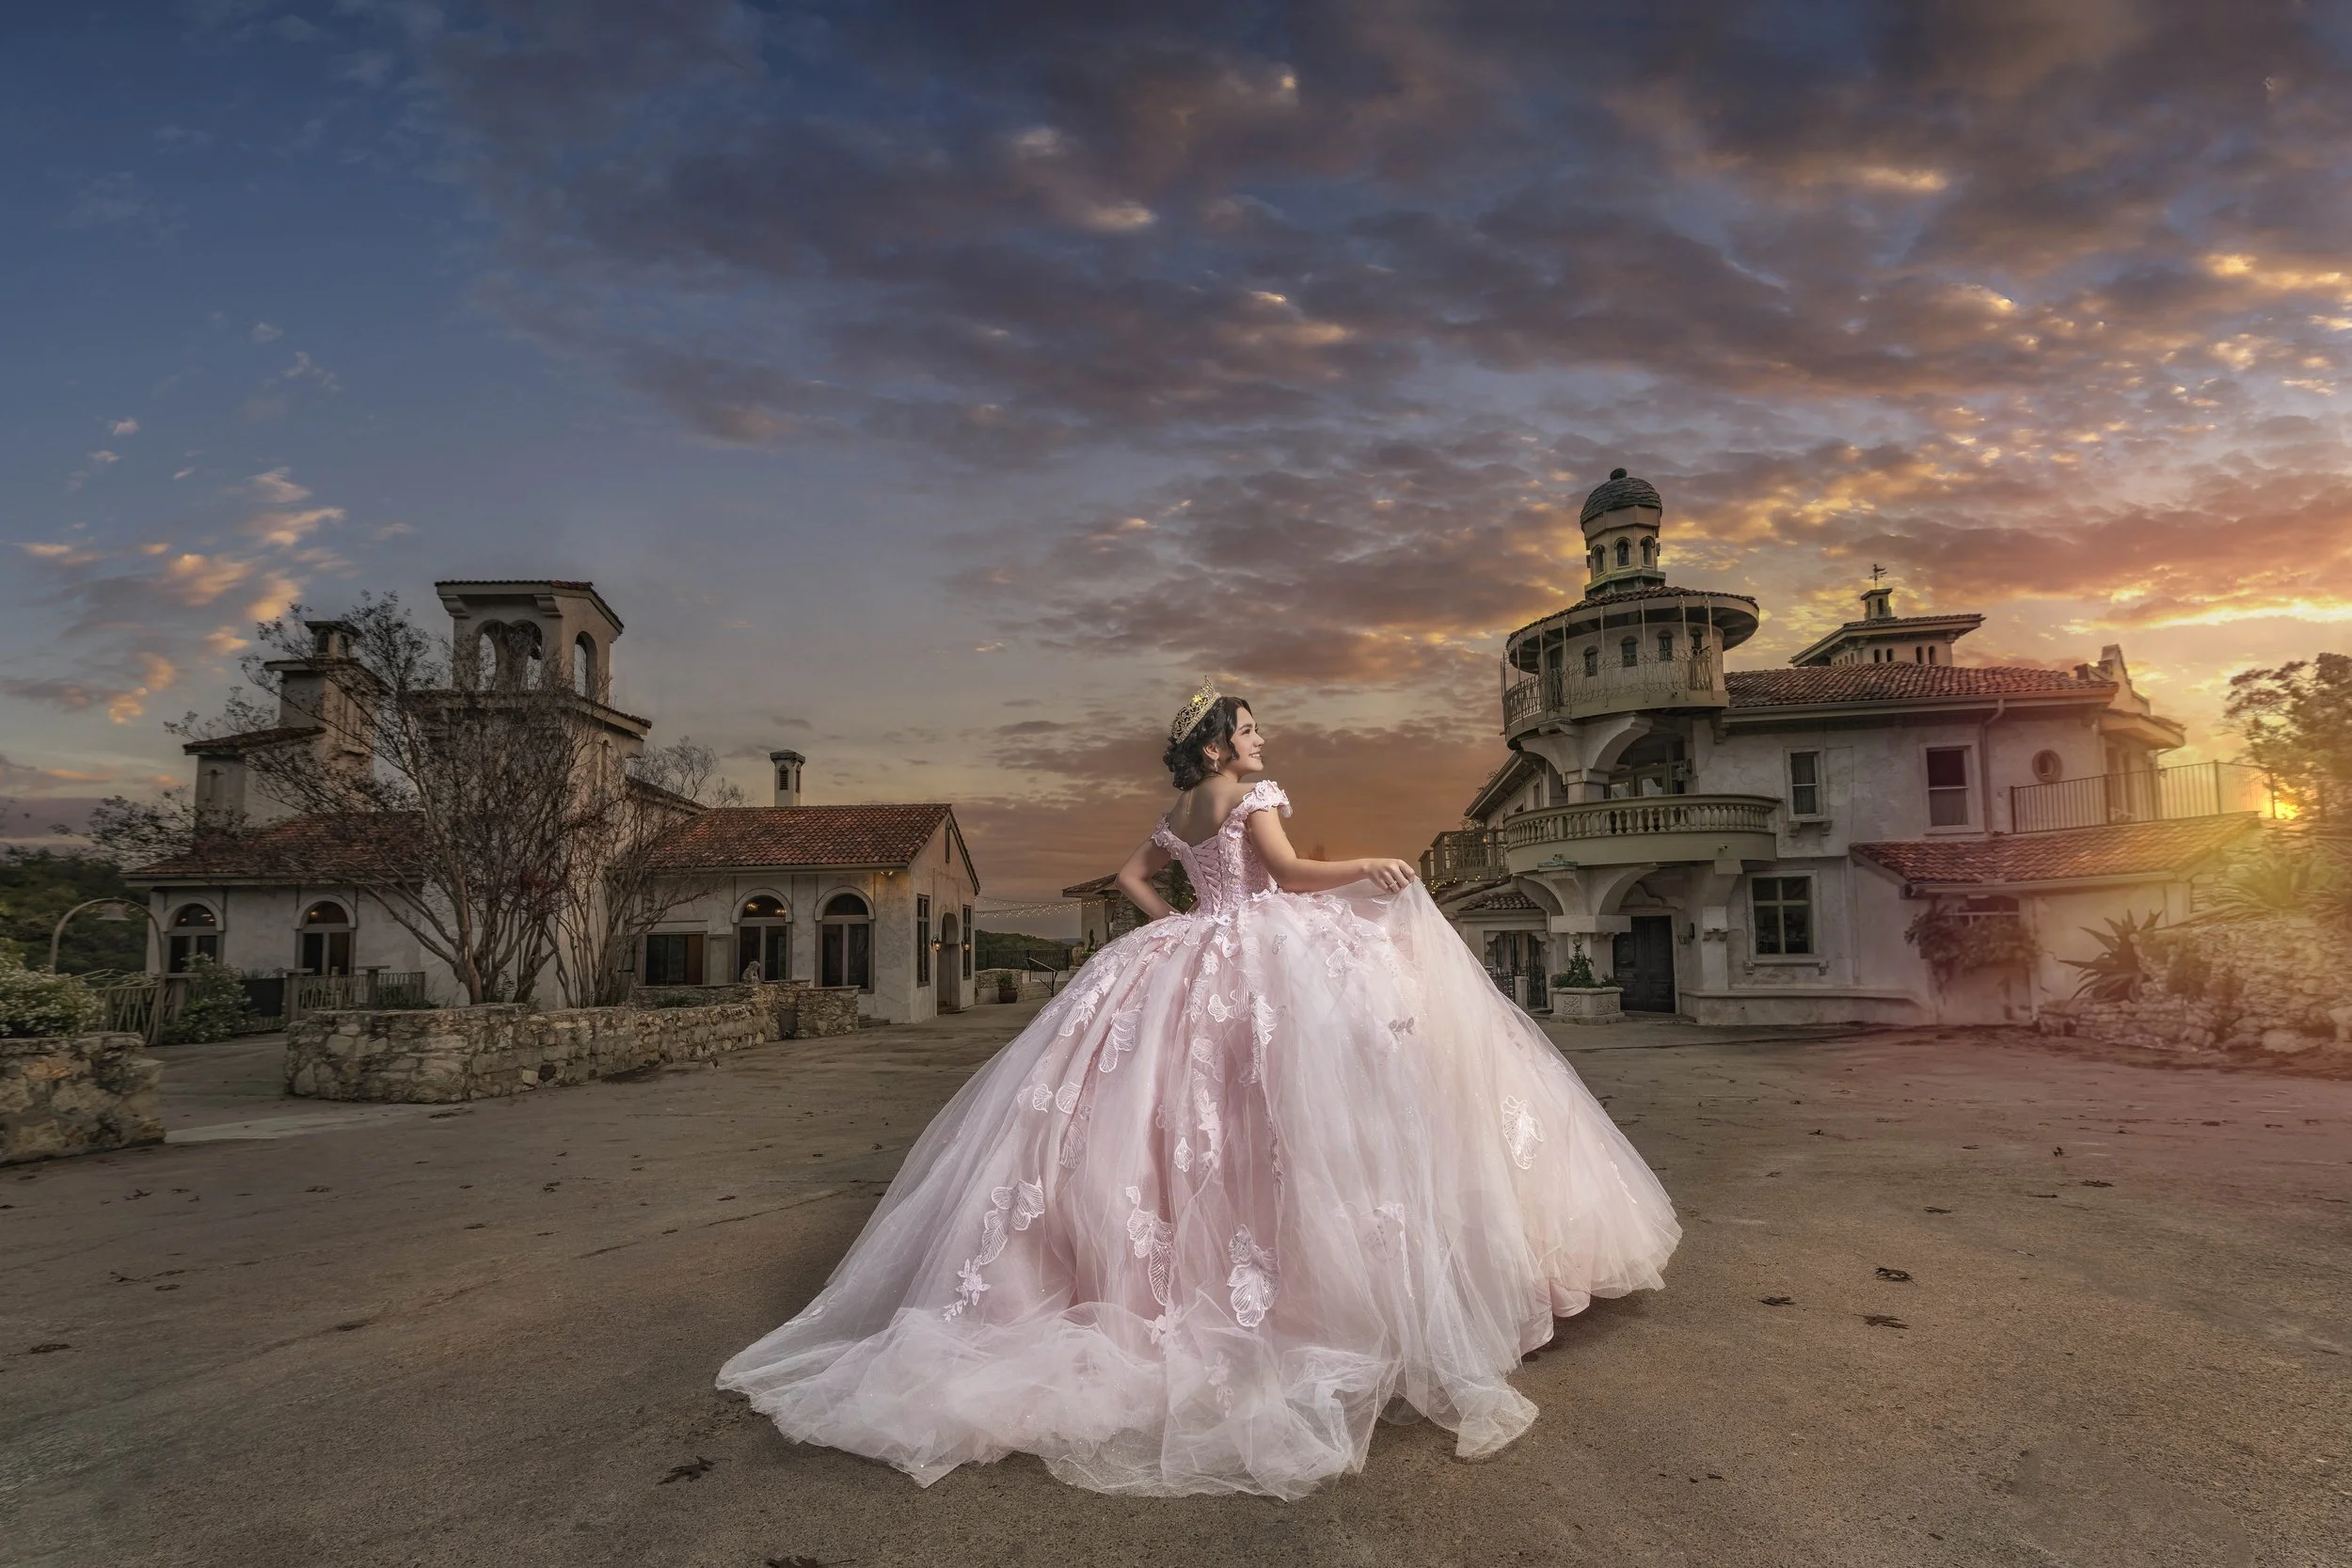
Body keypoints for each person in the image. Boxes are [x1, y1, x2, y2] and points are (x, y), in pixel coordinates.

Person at [718, 681, 1680, 1498]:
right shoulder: (1247, 788)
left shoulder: (1178, 813)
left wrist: (1179, 923)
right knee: (1283, 1103)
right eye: (1251, 726)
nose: (1262, 740)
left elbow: (1138, 878)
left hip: (1192, 944)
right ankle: (1322, 1289)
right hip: (1258, 941)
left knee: (1170, 1113)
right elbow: (1294, 873)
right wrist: (1374, 864)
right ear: (1220, 742)